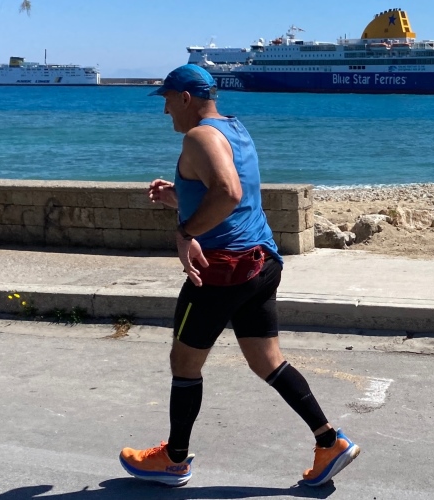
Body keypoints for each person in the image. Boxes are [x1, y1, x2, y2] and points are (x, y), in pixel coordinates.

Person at [118, 64, 360, 487]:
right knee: (267, 361)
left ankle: (174, 460)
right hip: (261, 262)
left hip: (222, 269)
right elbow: (233, 192)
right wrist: (179, 197)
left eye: (167, 100)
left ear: (185, 98)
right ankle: (330, 442)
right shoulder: (234, 129)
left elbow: (228, 193)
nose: (165, 110)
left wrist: (185, 232)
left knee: (184, 362)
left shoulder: (199, 137)